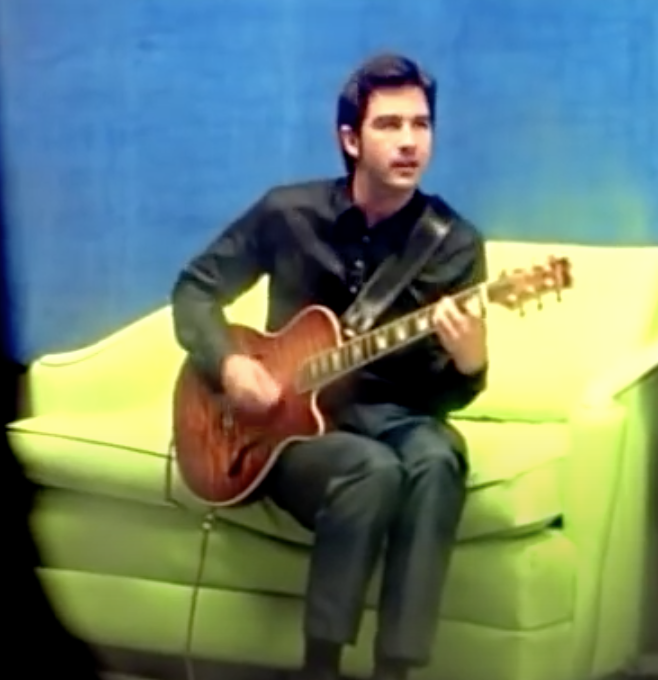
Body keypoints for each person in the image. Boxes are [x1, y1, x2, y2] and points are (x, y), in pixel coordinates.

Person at [170, 52, 487, 680]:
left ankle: (396, 668)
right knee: (371, 471)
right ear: (350, 139)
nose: (409, 142)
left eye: (421, 125)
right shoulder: (288, 214)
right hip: (282, 427)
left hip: (393, 416)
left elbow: (442, 398)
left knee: (438, 459)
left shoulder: (453, 243)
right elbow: (194, 291)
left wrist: (469, 362)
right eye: (389, 124)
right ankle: (321, 667)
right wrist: (231, 366)